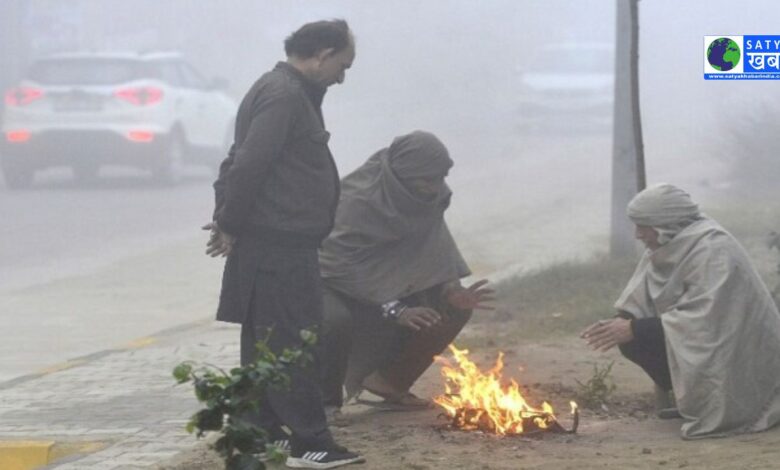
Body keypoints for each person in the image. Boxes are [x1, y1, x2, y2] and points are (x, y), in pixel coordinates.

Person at [204, 19, 364, 468]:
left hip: (275, 245)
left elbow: (241, 159)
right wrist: (229, 221)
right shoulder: (284, 94)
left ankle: (262, 435)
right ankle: (311, 441)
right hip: (277, 247)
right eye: (342, 65)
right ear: (321, 54)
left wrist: (228, 219)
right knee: (294, 344)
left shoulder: (286, 91)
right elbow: (249, 161)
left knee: (267, 345)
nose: (341, 76)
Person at [581, 183, 780, 439]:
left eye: (643, 226)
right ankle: (695, 402)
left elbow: (708, 322)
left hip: (738, 351)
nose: (637, 235)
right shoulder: (668, 243)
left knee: (639, 333)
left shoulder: (713, 248)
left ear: (663, 223)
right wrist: (624, 320)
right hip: (702, 336)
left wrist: (635, 328)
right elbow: (640, 294)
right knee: (633, 338)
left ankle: (725, 408)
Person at [317, 131, 494, 414]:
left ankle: (389, 383)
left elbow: (432, 242)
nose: (438, 186)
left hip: (385, 284)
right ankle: (324, 402)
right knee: (335, 321)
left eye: (442, 177)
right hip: (329, 282)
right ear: (402, 175)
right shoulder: (355, 202)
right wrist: (395, 309)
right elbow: (336, 263)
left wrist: (450, 288)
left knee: (450, 309)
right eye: (428, 179)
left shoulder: (430, 196)